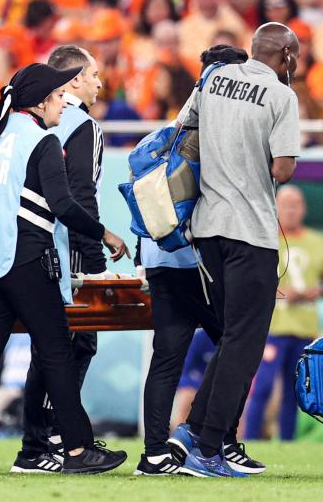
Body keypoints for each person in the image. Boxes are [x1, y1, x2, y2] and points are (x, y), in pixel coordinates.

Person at [0, 63, 128, 475]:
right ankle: (76, 452)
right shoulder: (42, 141)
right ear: (39, 103)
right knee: (57, 353)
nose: (63, 103)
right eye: (58, 97)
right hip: (30, 260)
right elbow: (65, 206)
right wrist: (106, 234)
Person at [170, 23, 302, 477]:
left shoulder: (213, 79)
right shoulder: (282, 96)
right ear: (286, 54)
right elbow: (282, 170)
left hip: (207, 229)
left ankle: (193, 430)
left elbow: (182, 127)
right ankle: (207, 451)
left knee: (230, 337)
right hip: (250, 231)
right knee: (245, 343)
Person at [134, 44, 248, 477]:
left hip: (160, 258)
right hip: (203, 262)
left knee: (166, 358)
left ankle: (155, 454)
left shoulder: (159, 137)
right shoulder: (214, 140)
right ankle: (216, 443)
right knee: (240, 346)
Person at [13, 45, 107, 474]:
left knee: (48, 346)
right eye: (93, 76)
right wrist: (96, 256)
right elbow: (79, 195)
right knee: (71, 343)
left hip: (20, 245)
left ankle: (41, 437)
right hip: (64, 248)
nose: (99, 84)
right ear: (73, 81)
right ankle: (48, 435)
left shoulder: (16, 120)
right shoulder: (82, 125)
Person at [244, 185, 323, 441]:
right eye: (285, 205)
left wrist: (309, 294)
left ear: (303, 209)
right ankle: (250, 441)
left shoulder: (318, 242)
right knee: (261, 387)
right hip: (271, 328)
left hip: (305, 329)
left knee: (296, 392)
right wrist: (284, 293)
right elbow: (249, 285)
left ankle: (287, 442)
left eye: (295, 205)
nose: (291, 210)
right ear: (275, 207)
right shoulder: (263, 239)